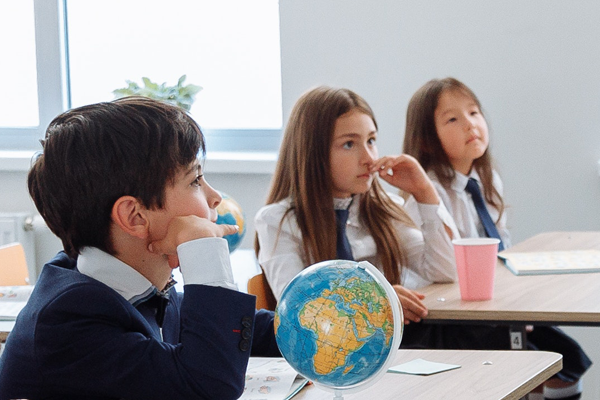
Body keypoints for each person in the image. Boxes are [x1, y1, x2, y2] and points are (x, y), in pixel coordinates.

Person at [0, 97, 279, 400]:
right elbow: (210, 386)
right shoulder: (69, 322)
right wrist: (205, 255)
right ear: (135, 217)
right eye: (195, 180)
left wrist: (306, 323)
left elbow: (226, 326)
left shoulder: (127, 285)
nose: (214, 198)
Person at [402, 77, 591, 400]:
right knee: (529, 363)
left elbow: (502, 253)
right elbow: (446, 273)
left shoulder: (485, 181)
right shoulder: (426, 194)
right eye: (453, 119)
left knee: (569, 360)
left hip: (494, 306)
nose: (470, 124)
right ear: (428, 139)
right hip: (451, 319)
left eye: (474, 113)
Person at [254, 85, 458, 327]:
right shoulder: (277, 222)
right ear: (313, 153)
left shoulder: (382, 210)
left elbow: (445, 271)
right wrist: (375, 299)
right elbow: (299, 309)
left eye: (371, 141)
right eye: (349, 144)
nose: (369, 158)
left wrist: (425, 192)